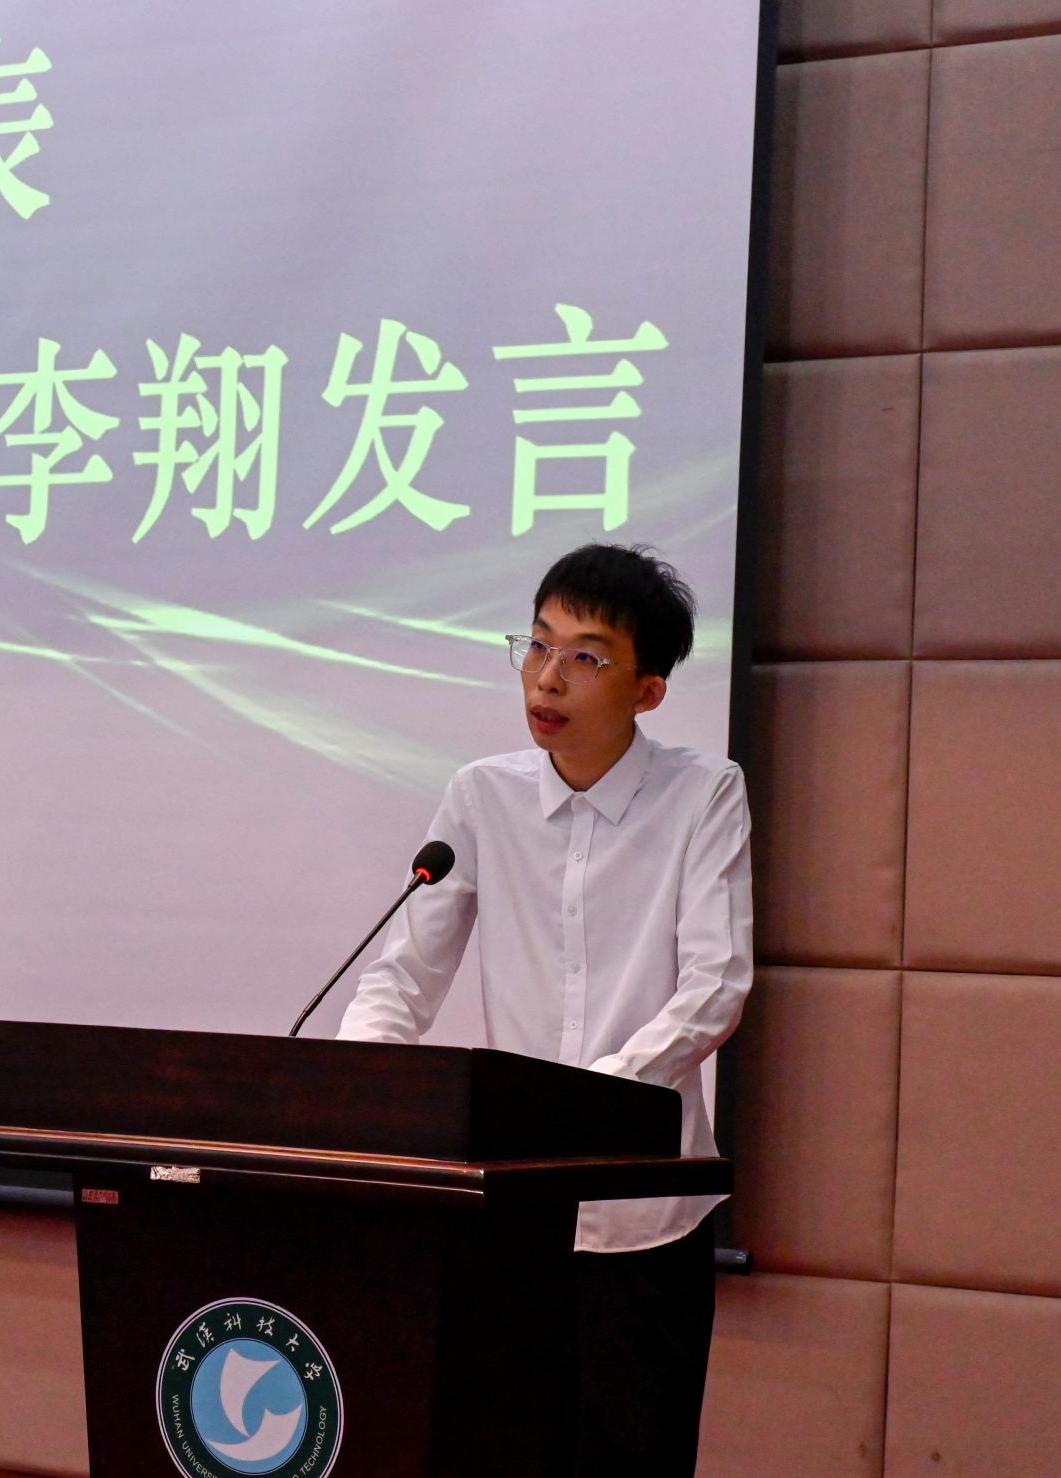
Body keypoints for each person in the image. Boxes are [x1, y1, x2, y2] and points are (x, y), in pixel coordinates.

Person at [336, 542, 751, 1476]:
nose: (548, 677)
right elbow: (403, 977)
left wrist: (589, 1104)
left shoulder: (703, 794)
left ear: (648, 691)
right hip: (506, 1221)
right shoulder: (481, 796)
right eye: (537, 645)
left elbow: (715, 985)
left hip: (643, 1222)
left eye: (586, 657)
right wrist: (357, 1088)